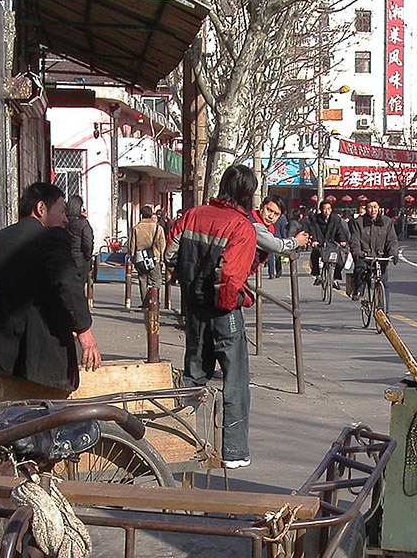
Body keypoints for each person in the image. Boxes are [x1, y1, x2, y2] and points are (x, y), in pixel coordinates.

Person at [164, 165, 260, 469]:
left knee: (193, 376)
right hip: (223, 313)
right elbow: (231, 276)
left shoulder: (192, 215)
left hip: (193, 309)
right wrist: (232, 300)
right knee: (235, 382)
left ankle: (178, 441)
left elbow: (169, 255)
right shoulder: (241, 226)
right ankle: (233, 452)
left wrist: (190, 282)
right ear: (247, 194)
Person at [0, 182, 101, 396]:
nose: (66, 219)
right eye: (61, 211)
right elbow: (66, 281)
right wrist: (84, 331)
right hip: (37, 367)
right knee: (46, 424)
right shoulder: (51, 237)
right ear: (41, 209)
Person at [349, 200, 399, 300]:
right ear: (366, 209)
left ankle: (384, 311)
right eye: (370, 207)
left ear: (378, 208)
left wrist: (393, 253)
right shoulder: (358, 222)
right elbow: (355, 240)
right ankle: (359, 289)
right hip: (365, 256)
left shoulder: (387, 222)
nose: (373, 210)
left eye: (375, 207)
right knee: (360, 271)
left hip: (380, 257)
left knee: (383, 283)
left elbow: (392, 240)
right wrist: (358, 252)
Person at [251, 195, 309, 277]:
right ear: (261, 207)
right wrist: (296, 241)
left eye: (276, 214)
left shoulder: (268, 227)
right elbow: (275, 245)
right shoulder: (254, 225)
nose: (271, 216)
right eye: (269, 210)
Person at [303, 199, 351, 286]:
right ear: (321, 209)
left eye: (329, 209)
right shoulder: (315, 219)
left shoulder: (336, 219)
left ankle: (335, 279)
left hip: (333, 243)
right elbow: (313, 230)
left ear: (332, 209)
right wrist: (314, 240)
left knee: (341, 258)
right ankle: (318, 276)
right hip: (320, 243)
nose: (327, 211)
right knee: (315, 254)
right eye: (324, 209)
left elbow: (340, 231)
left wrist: (342, 240)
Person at [130, 204, 166, 307]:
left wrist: (133, 258)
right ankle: (155, 301)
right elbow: (162, 244)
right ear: (151, 215)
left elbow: (132, 244)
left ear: (141, 215)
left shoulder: (136, 228)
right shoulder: (158, 228)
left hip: (140, 258)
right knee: (156, 280)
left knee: (143, 280)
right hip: (154, 257)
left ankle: (145, 302)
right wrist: (162, 258)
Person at [65, 195, 94, 282]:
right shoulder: (83, 224)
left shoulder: (65, 222)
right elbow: (88, 243)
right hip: (80, 260)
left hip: (65, 260)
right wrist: (88, 256)